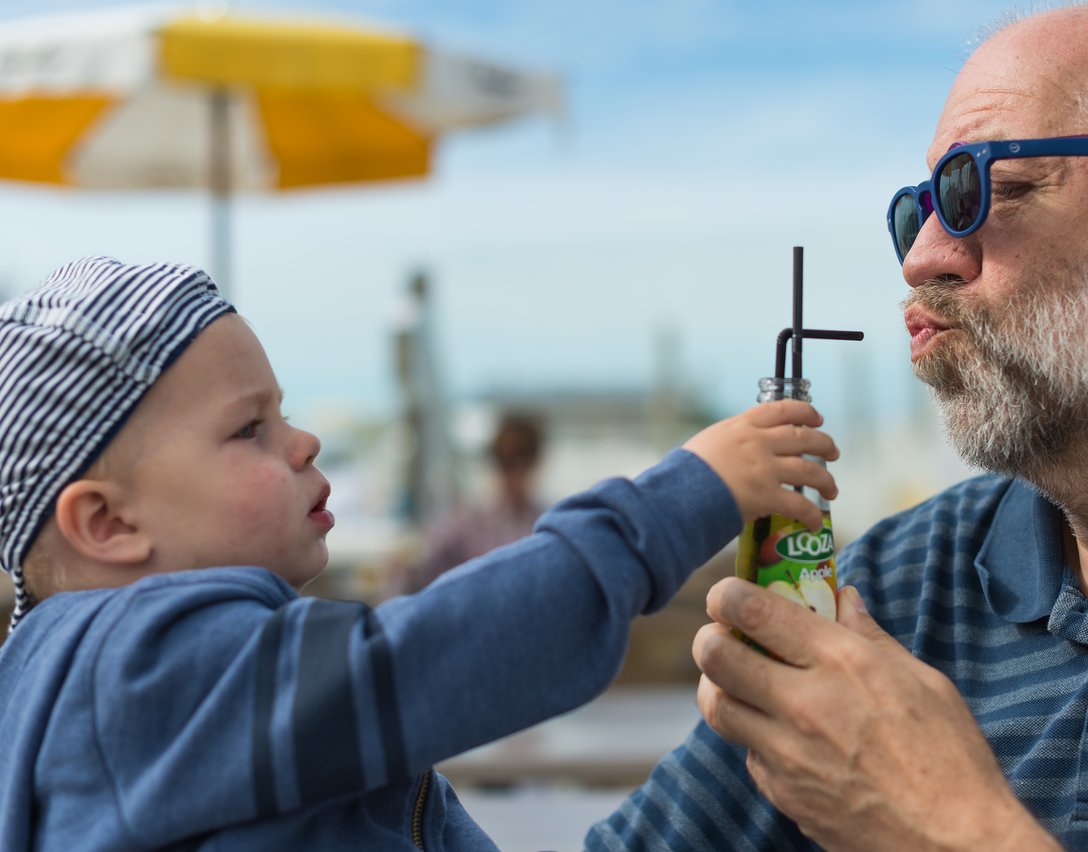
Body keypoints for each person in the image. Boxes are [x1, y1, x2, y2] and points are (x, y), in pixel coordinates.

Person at [587, 3, 1088, 850]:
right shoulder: (899, 589)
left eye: (987, 187)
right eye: (920, 211)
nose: (921, 259)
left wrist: (940, 824)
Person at [0, 256, 839, 850]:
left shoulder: (99, 683)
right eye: (249, 428)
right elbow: (435, 653)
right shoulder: (136, 676)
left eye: (283, 412)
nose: (304, 442)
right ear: (106, 524)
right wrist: (686, 496)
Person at [409, 411, 547, 589]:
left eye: (521, 458)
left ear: (535, 461)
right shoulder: (465, 520)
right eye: (504, 460)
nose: (512, 472)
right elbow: (421, 564)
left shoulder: (544, 521)